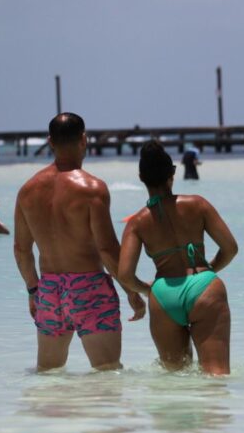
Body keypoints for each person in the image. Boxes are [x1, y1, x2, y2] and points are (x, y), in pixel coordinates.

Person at [13, 112, 145, 371]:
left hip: (49, 290)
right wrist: (131, 290)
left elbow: (21, 250)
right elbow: (107, 249)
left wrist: (33, 291)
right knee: (107, 372)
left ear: (50, 141)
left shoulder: (27, 191)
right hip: (89, 288)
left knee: (49, 375)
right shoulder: (92, 189)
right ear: (84, 139)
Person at [118, 141, 238, 375]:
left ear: (141, 177)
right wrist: (209, 270)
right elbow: (230, 248)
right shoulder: (198, 204)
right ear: (172, 173)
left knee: (174, 378)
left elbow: (124, 274)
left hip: (163, 295)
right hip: (204, 287)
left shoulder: (137, 222)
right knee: (216, 376)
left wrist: (146, 290)